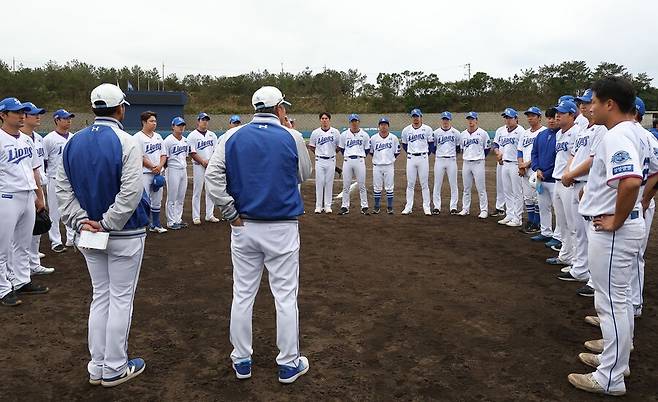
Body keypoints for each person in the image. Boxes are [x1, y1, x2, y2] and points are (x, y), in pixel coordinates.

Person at [205, 85, 312, 383]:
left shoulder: (231, 136)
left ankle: (241, 360)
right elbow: (304, 174)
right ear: (279, 108)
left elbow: (213, 178)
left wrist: (229, 212)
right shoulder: (291, 136)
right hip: (283, 227)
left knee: (242, 294)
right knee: (285, 297)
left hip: (245, 226)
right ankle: (289, 363)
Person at [57, 83, 149, 387]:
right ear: (120, 108)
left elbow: (63, 189)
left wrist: (82, 221)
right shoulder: (126, 141)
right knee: (121, 299)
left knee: (101, 297)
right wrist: (107, 222)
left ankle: (97, 365)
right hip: (123, 232)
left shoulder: (72, 142)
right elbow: (132, 191)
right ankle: (114, 367)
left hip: (88, 233)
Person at [567, 76, 650, 397]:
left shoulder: (617, 135)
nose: (591, 107)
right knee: (619, 302)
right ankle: (616, 361)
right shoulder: (635, 132)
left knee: (611, 303)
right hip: (624, 227)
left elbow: (629, 181)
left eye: (595, 102)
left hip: (615, 231)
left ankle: (610, 377)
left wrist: (617, 218)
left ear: (610, 104)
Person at [0, 97, 48, 307]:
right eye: (15, 112)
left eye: (22, 111)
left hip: (28, 196)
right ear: (3, 115)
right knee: (3, 247)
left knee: (23, 243)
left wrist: (39, 196)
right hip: (7, 197)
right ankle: (3, 288)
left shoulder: (27, 140)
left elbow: (34, 171)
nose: (21, 115)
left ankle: (21, 281)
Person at [559, 89, 606, 285]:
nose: (584, 106)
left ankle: (593, 277)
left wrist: (571, 174)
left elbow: (592, 160)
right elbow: (573, 154)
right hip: (575, 181)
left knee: (591, 233)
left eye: (587, 102)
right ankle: (580, 267)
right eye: (581, 103)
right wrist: (568, 173)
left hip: (588, 183)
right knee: (577, 229)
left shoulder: (602, 129)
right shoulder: (582, 129)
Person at [18, 102, 55, 275]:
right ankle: (19, 269)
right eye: (34, 114)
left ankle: (33, 263)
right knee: (18, 234)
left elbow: (40, 165)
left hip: (38, 185)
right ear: (23, 116)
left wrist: (39, 193)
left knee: (38, 227)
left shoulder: (38, 138)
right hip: (19, 190)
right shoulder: (15, 138)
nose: (38, 116)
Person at [545, 100, 580, 267]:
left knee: (573, 224)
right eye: (556, 113)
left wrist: (569, 175)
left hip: (569, 182)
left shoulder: (577, 132)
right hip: (557, 180)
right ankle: (565, 255)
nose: (557, 115)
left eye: (561, 113)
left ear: (572, 115)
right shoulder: (559, 134)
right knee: (562, 222)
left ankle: (577, 261)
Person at [43, 108, 76, 252]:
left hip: (70, 179)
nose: (68, 120)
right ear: (57, 120)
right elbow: (43, 161)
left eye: (69, 118)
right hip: (54, 178)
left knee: (72, 209)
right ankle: (56, 241)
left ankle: (71, 238)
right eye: (65, 118)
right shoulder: (48, 138)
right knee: (54, 212)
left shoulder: (73, 137)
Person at [530, 109, 561, 244]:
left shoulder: (561, 135)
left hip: (554, 179)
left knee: (559, 211)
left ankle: (558, 236)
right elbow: (534, 153)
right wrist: (536, 169)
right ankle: (545, 232)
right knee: (543, 207)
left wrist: (546, 173)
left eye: (554, 118)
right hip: (540, 178)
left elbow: (560, 160)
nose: (551, 120)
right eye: (549, 118)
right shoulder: (541, 135)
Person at [134, 111, 167, 233]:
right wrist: (154, 167)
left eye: (155, 121)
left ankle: (156, 224)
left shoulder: (158, 137)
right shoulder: (137, 137)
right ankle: (143, 225)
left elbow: (164, 154)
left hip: (158, 173)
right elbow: (139, 156)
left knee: (157, 199)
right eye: (151, 121)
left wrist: (159, 166)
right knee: (144, 199)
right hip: (145, 173)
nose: (154, 123)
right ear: (144, 122)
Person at [493, 108, 526, 227]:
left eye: (510, 117)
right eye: (506, 117)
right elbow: (496, 145)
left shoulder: (521, 131)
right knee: (507, 191)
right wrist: (498, 153)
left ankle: (518, 218)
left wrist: (521, 164)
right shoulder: (502, 131)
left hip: (515, 164)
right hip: (504, 163)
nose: (507, 120)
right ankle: (510, 214)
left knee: (517, 192)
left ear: (516, 118)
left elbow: (522, 149)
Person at [517, 106, 545, 233]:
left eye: (533, 115)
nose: (530, 118)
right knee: (527, 197)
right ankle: (531, 220)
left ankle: (538, 223)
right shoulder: (525, 133)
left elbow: (542, 153)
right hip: (525, 170)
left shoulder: (544, 132)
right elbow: (520, 151)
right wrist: (521, 165)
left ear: (539, 117)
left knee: (538, 197)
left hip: (537, 170)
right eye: (528, 115)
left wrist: (526, 164)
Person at [188, 112, 220, 224]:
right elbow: (192, 152)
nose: (205, 122)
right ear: (198, 121)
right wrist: (202, 161)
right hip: (198, 166)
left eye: (206, 120)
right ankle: (196, 216)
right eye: (203, 120)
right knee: (197, 191)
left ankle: (209, 214)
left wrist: (210, 162)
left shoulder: (212, 135)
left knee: (210, 190)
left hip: (210, 166)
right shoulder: (192, 135)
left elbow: (216, 151)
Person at [400, 108, 433, 215]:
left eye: (417, 116)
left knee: (424, 184)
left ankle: (426, 207)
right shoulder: (406, 130)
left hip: (423, 158)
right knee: (410, 184)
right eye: (414, 117)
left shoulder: (427, 129)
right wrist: (412, 153)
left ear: (421, 117)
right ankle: (408, 206)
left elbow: (431, 145)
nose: (415, 119)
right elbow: (404, 145)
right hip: (411, 158)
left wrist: (424, 154)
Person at [457, 112, 489, 219]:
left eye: (472, 119)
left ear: (476, 120)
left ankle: (484, 210)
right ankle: (465, 209)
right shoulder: (463, 134)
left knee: (481, 188)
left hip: (478, 163)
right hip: (466, 163)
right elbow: (461, 148)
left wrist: (480, 156)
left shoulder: (483, 133)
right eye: (469, 119)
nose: (471, 121)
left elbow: (487, 148)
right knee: (466, 188)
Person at [338, 114, 370, 215]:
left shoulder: (364, 135)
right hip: (347, 161)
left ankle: (364, 206)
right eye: (352, 121)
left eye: (356, 121)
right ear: (349, 123)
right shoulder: (344, 135)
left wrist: (359, 156)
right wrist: (348, 155)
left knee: (362, 185)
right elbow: (342, 149)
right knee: (346, 185)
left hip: (359, 160)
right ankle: (345, 206)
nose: (354, 123)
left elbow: (367, 149)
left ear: (359, 122)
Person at [308, 112, 340, 214]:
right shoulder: (315, 132)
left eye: (326, 118)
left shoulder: (335, 132)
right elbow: (312, 146)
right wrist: (318, 153)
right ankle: (318, 206)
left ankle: (327, 206)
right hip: (319, 160)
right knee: (320, 182)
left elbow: (338, 146)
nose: (324, 120)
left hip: (331, 160)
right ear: (320, 120)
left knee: (329, 183)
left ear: (329, 120)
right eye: (322, 118)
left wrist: (332, 153)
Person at [431, 111, 461, 214]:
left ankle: (453, 207)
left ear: (450, 120)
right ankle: (436, 207)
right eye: (444, 119)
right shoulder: (436, 133)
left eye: (447, 119)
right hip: (439, 160)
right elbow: (433, 147)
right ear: (441, 120)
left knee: (453, 184)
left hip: (451, 160)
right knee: (437, 184)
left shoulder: (456, 133)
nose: (445, 121)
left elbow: (458, 148)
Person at [163, 117, 190, 230]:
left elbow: (186, 156)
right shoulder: (168, 141)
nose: (181, 127)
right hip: (172, 169)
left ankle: (178, 219)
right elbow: (165, 157)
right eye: (179, 125)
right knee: (172, 197)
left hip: (183, 169)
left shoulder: (185, 140)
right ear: (173, 126)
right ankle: (170, 221)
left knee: (181, 196)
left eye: (182, 125)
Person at [370, 117, 400, 214]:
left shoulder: (394, 138)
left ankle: (390, 207)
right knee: (377, 187)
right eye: (381, 125)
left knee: (389, 187)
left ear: (388, 126)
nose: (383, 126)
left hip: (389, 165)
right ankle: (376, 206)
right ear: (379, 126)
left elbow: (397, 152)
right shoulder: (373, 138)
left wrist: (390, 159)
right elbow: (371, 152)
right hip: (377, 166)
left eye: (385, 125)